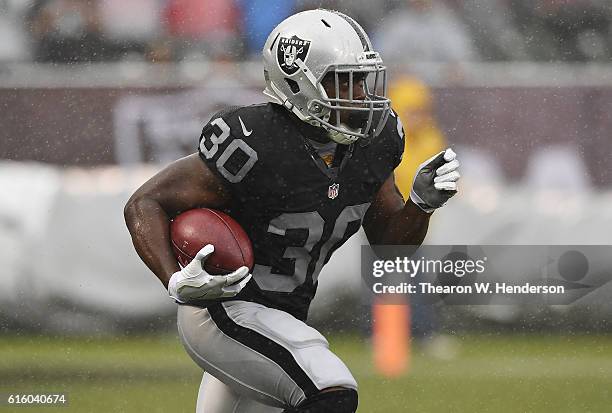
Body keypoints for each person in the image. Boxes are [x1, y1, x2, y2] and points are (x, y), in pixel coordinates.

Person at [124, 9, 460, 413]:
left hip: (282, 320)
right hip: (224, 311)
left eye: (361, 80)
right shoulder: (254, 141)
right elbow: (145, 202)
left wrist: (420, 205)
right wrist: (174, 280)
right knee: (330, 390)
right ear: (297, 81)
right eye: (343, 80)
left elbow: (389, 247)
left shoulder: (373, 143)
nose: (359, 94)